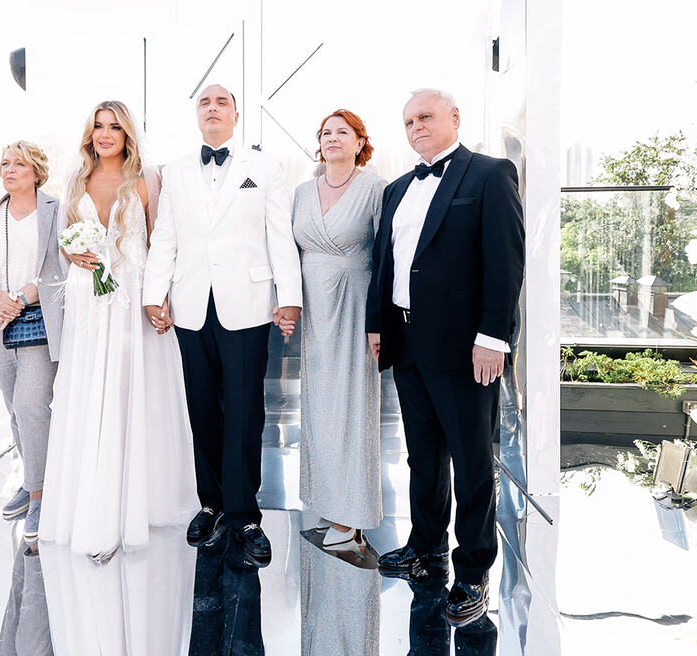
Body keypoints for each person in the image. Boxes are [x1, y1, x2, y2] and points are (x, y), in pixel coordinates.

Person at [367, 89, 524, 627]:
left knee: (473, 463)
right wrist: (378, 325)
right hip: (408, 342)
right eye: (408, 121)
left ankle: (474, 571)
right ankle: (426, 548)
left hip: (465, 348)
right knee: (423, 456)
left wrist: (494, 337)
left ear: (454, 118)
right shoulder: (396, 188)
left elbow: (506, 262)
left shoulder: (490, 174)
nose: (416, 126)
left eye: (425, 116)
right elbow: (385, 264)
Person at [143, 83, 303, 568]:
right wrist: (154, 294)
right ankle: (210, 504)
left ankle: (245, 515)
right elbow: (165, 235)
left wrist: (289, 298)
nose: (212, 109)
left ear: (236, 115)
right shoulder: (176, 171)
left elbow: (279, 235)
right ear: (197, 115)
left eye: (222, 102)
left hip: (248, 304)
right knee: (202, 410)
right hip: (190, 304)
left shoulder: (266, 168)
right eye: (204, 103)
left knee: (245, 411)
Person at [39, 100, 196, 561]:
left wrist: (160, 296)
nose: (105, 134)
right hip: (88, 297)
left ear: (128, 134)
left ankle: (135, 508)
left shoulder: (148, 179)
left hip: (131, 293)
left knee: (131, 390)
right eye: (98, 127)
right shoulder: (76, 178)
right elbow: (65, 239)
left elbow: (162, 241)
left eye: (114, 127)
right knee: (91, 390)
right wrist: (73, 254)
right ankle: (93, 508)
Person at [292, 109, 385, 551]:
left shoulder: (375, 189)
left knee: (352, 406)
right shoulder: (301, 192)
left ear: (359, 142)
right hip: (314, 311)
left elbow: (386, 257)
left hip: (354, 306)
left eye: (342, 132)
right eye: (326, 132)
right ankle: (328, 502)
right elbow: (288, 254)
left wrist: (379, 321)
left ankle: (351, 515)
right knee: (318, 407)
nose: (332, 138)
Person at [0, 141, 64, 544]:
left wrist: (18, 300)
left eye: (19, 164)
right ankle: (33, 479)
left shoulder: (57, 211)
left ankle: (41, 496)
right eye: (4, 163)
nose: (9, 169)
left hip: (37, 320)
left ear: (37, 171)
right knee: (14, 410)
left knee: (31, 405)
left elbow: (60, 268)